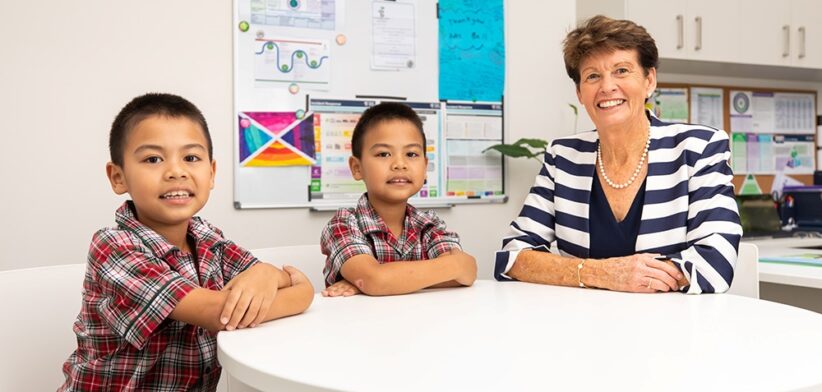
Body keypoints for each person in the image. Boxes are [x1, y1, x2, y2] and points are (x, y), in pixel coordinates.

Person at [60, 93, 314, 391]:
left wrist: (268, 273)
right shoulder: (114, 247)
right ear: (118, 177)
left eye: (191, 158)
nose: (176, 171)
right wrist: (300, 292)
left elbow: (272, 283)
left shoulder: (209, 239)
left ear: (211, 172)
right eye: (153, 159)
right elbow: (220, 313)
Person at [495, 15, 742, 294]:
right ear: (580, 92)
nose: (607, 87)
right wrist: (601, 273)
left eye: (622, 71)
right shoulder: (563, 157)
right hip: (583, 324)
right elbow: (513, 258)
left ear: (649, 80)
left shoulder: (698, 148)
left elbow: (716, 262)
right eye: (592, 76)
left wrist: (635, 277)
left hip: (674, 328)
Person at [320, 102, 477, 297]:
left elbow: (467, 271)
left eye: (411, 154)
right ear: (356, 168)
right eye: (383, 154)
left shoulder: (429, 224)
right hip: (360, 324)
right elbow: (374, 280)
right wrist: (450, 267)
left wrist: (380, 281)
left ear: (425, 165)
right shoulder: (343, 224)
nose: (400, 164)